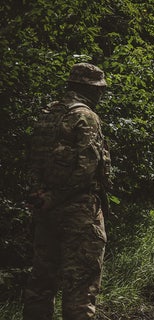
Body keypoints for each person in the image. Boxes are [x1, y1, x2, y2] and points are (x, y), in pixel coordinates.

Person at [24, 62, 111, 319]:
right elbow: (87, 168)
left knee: (41, 282)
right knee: (80, 285)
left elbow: (33, 161)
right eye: (99, 89)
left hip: (45, 211)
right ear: (90, 89)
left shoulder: (48, 114)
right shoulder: (86, 117)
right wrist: (55, 197)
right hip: (79, 212)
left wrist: (41, 196)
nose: (101, 94)